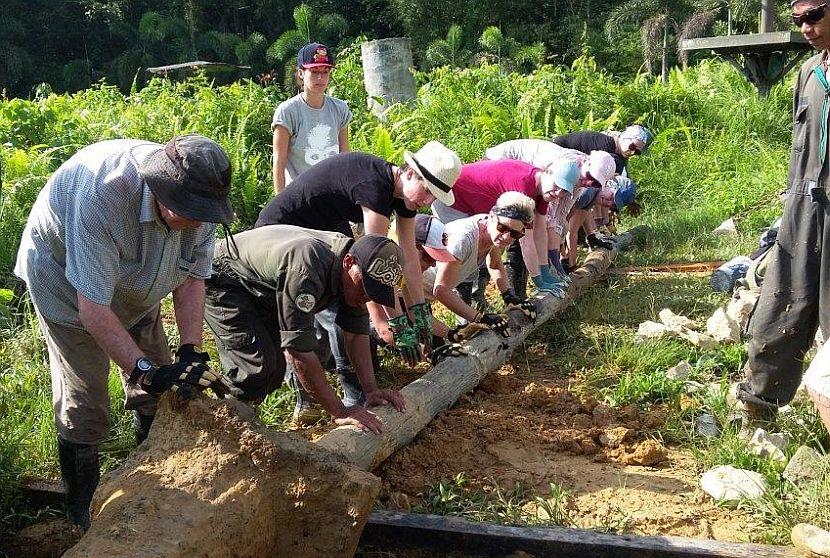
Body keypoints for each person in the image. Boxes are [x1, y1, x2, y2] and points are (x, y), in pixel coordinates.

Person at [14, 134, 236, 530]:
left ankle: (149, 482)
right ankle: (82, 512)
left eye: (207, 212)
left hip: (139, 284)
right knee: (88, 403)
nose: (200, 222)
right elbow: (94, 310)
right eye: (192, 212)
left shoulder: (198, 203)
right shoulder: (105, 197)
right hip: (68, 288)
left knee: (164, 389)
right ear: (163, 190)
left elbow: (191, 281)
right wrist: (143, 369)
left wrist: (190, 351)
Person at [255, 142, 462, 418]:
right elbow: (375, 268)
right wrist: (398, 323)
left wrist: (420, 313)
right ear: (410, 173)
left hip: (323, 231)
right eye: (427, 192)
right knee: (337, 313)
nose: (428, 202)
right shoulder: (375, 187)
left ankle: (342, 392)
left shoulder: (403, 195)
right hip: (282, 235)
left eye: (434, 197)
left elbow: (409, 259)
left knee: (339, 314)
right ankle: (337, 396)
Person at [203, 227, 406, 432]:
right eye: (366, 288)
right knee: (255, 367)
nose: (367, 297)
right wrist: (340, 411)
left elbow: (355, 336)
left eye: (374, 292)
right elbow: (298, 352)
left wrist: (371, 391)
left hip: (264, 288)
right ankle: (222, 427)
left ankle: (240, 420)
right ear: (348, 263)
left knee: (274, 371)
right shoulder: (306, 268)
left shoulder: (353, 275)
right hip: (225, 277)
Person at [736, 0, 830, 444]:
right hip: (805, 203)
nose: (806, 26)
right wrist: (792, 196)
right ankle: (759, 407)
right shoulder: (809, 73)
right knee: (783, 300)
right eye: (798, 19)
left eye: (815, 15)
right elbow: (799, 142)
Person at [481, 140, 616, 293]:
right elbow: (537, 229)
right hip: (499, 165)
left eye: (596, 183)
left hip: (528, 182)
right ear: (587, 162)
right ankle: (494, 290)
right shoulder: (562, 167)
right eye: (589, 176)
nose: (589, 182)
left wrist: (552, 263)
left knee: (526, 230)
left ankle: (519, 289)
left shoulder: (575, 183)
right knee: (509, 231)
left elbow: (557, 219)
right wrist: (541, 276)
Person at [272, 43, 351, 194]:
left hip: (333, 197)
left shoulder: (340, 109)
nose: (320, 77)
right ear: (301, 73)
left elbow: (344, 158)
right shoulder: (287, 111)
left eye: (325, 71)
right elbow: (279, 161)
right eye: (314, 71)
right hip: (298, 199)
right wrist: (280, 207)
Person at [552, 124, 654, 175]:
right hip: (557, 151)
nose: (632, 152)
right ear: (624, 138)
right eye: (632, 146)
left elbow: (623, 177)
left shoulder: (620, 154)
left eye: (637, 152)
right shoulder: (605, 144)